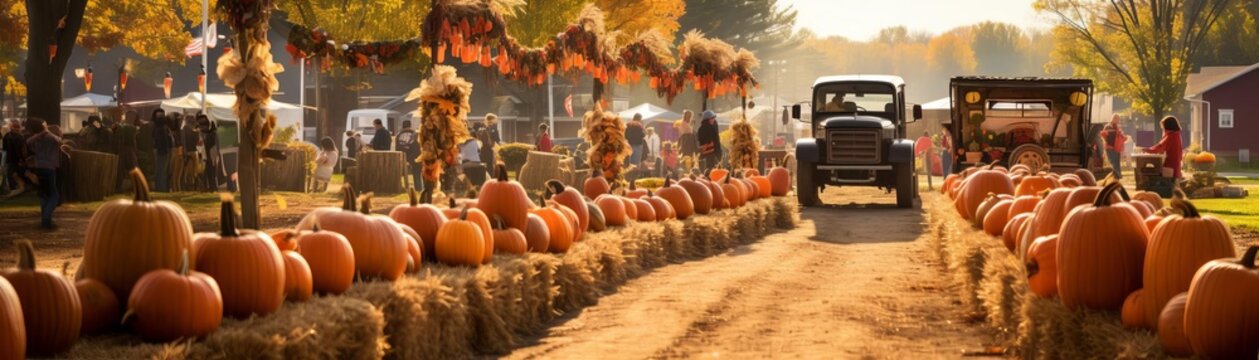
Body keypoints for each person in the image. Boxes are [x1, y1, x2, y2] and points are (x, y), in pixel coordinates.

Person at [24, 118, 66, 229]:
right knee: (54, 195)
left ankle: (45, 221)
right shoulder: (49, 136)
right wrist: (46, 131)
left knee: (43, 194)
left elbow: (28, 142)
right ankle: (46, 218)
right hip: (50, 167)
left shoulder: (34, 139)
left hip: (38, 167)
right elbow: (59, 141)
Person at [1143, 116, 1185, 180]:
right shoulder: (1176, 134)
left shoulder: (1170, 136)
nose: (1163, 129)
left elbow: (1159, 147)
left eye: (1163, 127)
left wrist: (1146, 150)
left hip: (1170, 163)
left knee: (1167, 180)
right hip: (1176, 161)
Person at [3, 120, 32, 196]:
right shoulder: (20, 137)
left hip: (12, 159)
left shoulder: (8, 136)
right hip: (16, 159)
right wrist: (22, 158)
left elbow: (5, 149)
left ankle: (16, 188)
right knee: (16, 173)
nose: (17, 128)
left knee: (12, 174)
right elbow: (22, 150)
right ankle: (19, 187)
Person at [113, 111, 139, 191]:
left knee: (122, 170)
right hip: (128, 150)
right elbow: (133, 141)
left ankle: (119, 187)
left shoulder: (122, 126)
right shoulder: (131, 128)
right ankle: (136, 186)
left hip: (123, 150)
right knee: (134, 168)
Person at [151, 109, 173, 192]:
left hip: (161, 151)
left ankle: (161, 188)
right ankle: (161, 188)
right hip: (161, 151)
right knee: (161, 171)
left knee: (161, 171)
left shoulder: (162, 128)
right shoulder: (162, 128)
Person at [395, 120, 421, 191]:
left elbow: (397, 147)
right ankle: (418, 188)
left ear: (403, 126)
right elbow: (417, 146)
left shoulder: (399, 135)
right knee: (417, 174)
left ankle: (402, 188)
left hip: (403, 156)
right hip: (415, 156)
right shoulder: (415, 134)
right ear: (410, 125)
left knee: (400, 174)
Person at [199, 115, 222, 191]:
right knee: (210, 174)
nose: (201, 128)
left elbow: (213, 147)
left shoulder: (211, 134)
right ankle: (211, 188)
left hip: (211, 157)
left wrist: (212, 158)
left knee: (211, 174)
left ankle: (212, 188)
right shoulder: (210, 134)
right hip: (210, 157)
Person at [1100, 114, 1127, 179]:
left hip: (1117, 148)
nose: (1118, 120)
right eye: (1117, 119)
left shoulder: (1117, 127)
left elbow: (1122, 136)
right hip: (1110, 147)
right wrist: (1107, 141)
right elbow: (1104, 135)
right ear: (1113, 119)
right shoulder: (1108, 126)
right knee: (1113, 162)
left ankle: (1118, 176)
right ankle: (1114, 176)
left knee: (1117, 162)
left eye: (1118, 119)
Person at [180, 114, 201, 190]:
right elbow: (197, 142)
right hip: (192, 152)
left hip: (190, 151)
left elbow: (184, 141)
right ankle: (192, 185)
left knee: (189, 171)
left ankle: (190, 185)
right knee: (192, 171)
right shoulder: (193, 129)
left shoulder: (186, 129)